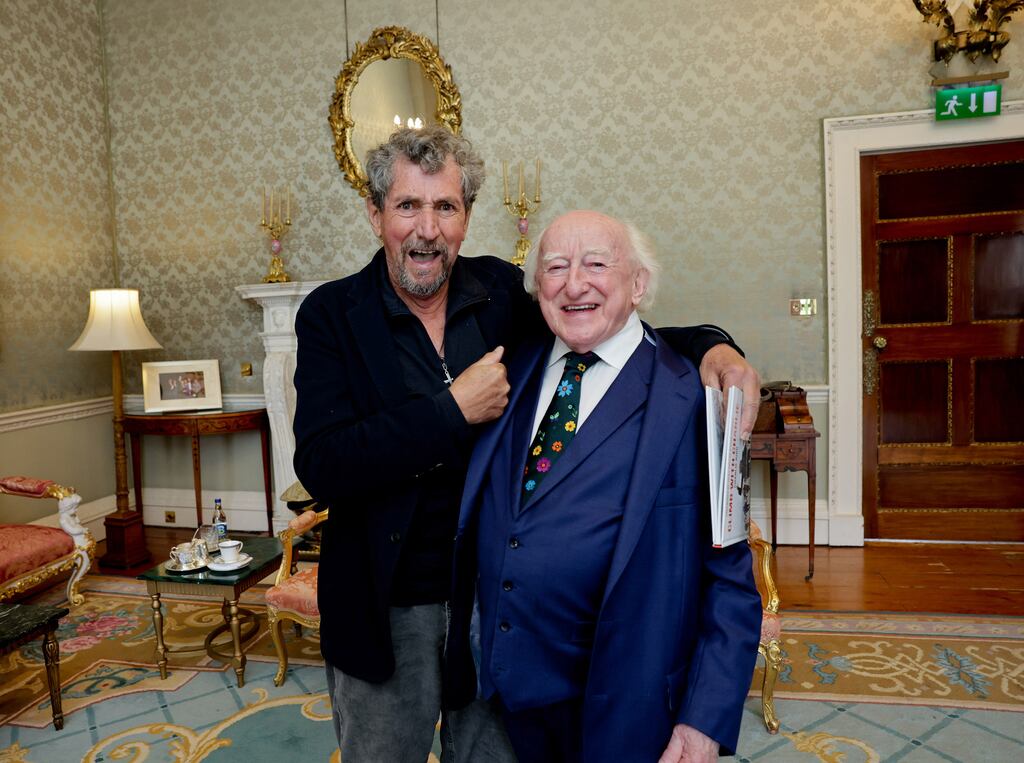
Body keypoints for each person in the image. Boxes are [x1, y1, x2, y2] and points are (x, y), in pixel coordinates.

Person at [292, 126, 759, 761]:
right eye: (407, 206)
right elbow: (322, 462)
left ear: (465, 218)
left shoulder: (499, 296)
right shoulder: (330, 314)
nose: (426, 228)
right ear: (375, 215)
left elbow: (601, 324)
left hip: (488, 603)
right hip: (384, 607)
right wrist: (451, 411)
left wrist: (712, 344)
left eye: (445, 207)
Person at [448, 210, 763, 762]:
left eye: (596, 264)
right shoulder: (506, 375)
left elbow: (731, 584)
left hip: (627, 710)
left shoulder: (700, 399)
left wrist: (703, 720)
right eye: (556, 267)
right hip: (500, 702)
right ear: (537, 289)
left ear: (638, 284)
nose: (574, 284)